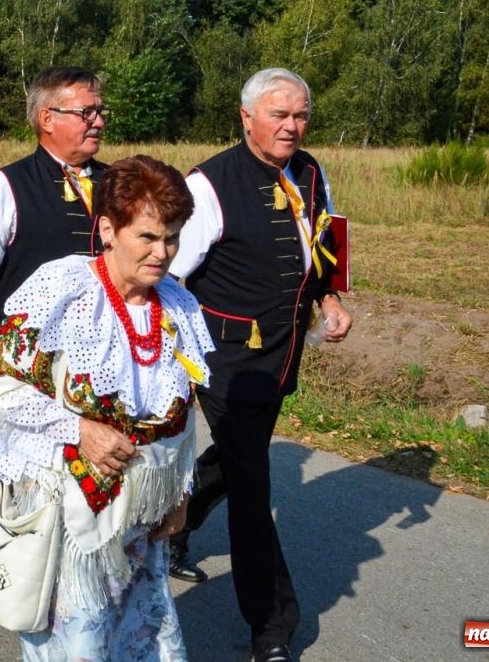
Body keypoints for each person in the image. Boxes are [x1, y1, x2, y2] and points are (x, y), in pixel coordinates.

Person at [0, 155, 212, 661]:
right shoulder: (67, 290)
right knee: (78, 643)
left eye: (172, 237)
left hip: (142, 515)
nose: (162, 253)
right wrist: (80, 428)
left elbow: (182, 413)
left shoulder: (177, 306)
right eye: (147, 237)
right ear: (108, 229)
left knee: (139, 640)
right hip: (69, 517)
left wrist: (181, 492)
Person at [166, 68, 352, 662]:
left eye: (300, 115)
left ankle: (179, 522)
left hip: (283, 349)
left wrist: (331, 298)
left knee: (239, 457)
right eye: (279, 115)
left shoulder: (312, 171)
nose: (292, 127)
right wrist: (164, 354)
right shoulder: (209, 185)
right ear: (246, 118)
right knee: (253, 482)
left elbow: (324, 239)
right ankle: (273, 627)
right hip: (224, 359)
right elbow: (168, 274)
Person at [0, 66, 110, 413]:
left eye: (100, 112)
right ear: (47, 118)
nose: (98, 122)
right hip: (26, 372)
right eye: (87, 113)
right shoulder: (3, 188)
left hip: (104, 370)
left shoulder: (118, 184)